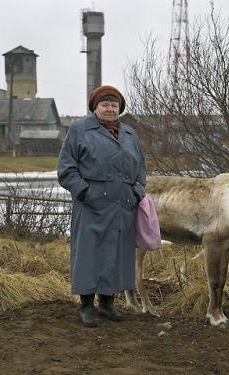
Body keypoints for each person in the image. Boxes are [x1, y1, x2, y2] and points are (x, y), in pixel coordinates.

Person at [57, 85, 146, 328]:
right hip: (92, 205)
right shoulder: (80, 130)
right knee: (89, 254)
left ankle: (107, 305)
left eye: (114, 104)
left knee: (117, 254)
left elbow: (141, 169)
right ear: (95, 108)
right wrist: (84, 191)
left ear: (120, 108)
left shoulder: (129, 134)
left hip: (123, 205)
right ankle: (86, 306)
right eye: (104, 104)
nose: (109, 108)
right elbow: (66, 169)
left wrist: (137, 191)